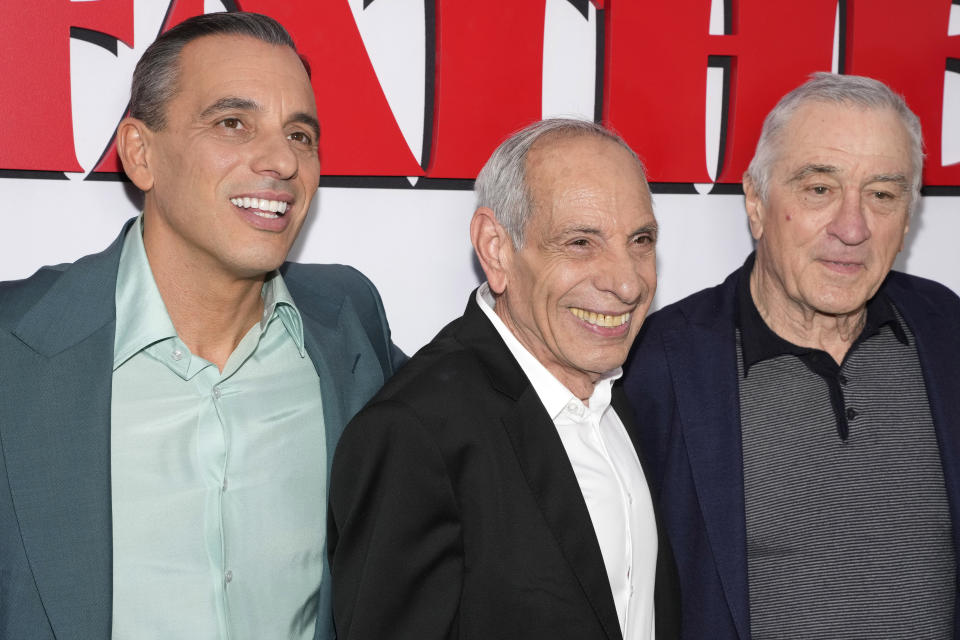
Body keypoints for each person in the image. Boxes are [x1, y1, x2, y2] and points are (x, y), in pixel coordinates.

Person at [0, 12, 403, 640]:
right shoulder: (15, 345)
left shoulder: (350, 324)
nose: (281, 162)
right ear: (140, 153)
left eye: (300, 136)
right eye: (232, 123)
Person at [624, 72, 958, 639]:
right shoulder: (662, 366)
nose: (852, 228)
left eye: (882, 194)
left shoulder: (948, 333)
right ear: (755, 202)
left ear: (908, 217)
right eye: (819, 189)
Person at [329, 118, 678, 640]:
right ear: (496, 248)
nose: (627, 282)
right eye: (581, 242)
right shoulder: (415, 434)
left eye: (640, 239)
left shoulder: (622, 394)